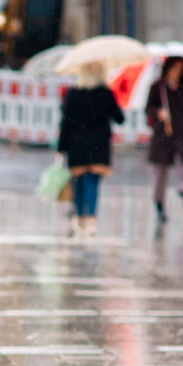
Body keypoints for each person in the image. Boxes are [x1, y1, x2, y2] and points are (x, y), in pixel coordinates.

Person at [56, 62, 124, 238]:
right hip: (98, 145)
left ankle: (78, 218)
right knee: (92, 183)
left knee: (78, 182)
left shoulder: (73, 94)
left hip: (76, 145)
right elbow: (120, 118)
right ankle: (91, 219)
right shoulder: (106, 94)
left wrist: (61, 146)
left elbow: (66, 123)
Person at [145, 56, 183, 223]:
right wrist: (159, 113)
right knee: (160, 174)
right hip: (163, 136)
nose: (177, 72)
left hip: (181, 136)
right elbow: (148, 109)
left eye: (180, 68)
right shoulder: (157, 88)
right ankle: (159, 204)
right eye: (175, 68)